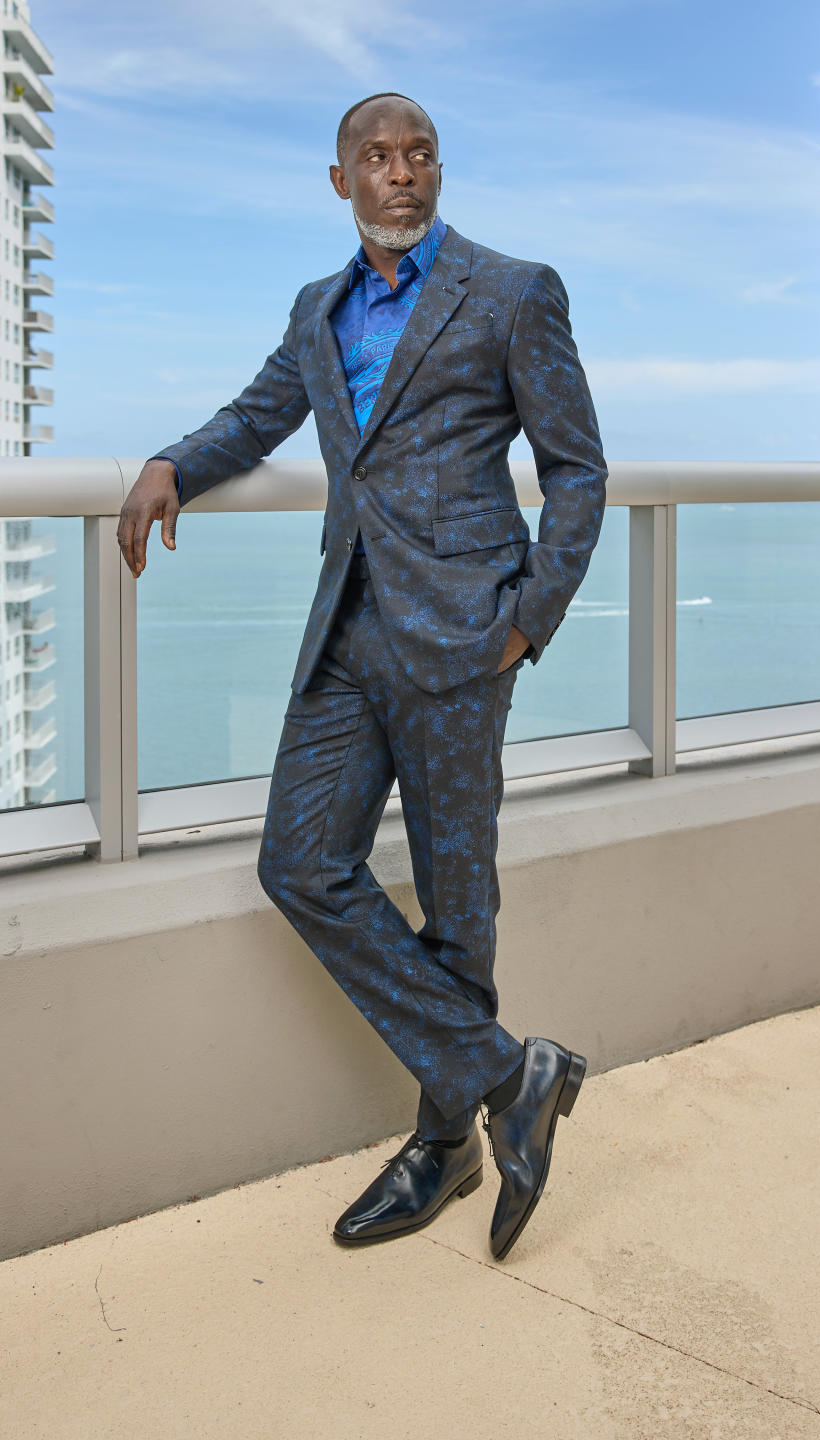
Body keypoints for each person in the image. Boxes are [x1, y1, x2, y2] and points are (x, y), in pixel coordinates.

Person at [116, 92, 607, 1261]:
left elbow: (578, 471)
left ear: (439, 170)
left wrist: (525, 620)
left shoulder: (511, 290)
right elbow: (261, 416)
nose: (403, 174)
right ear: (341, 182)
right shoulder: (316, 308)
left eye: (420, 154)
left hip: (462, 638)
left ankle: (445, 1149)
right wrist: (171, 462)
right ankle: (508, 1073)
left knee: (459, 907)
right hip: (347, 634)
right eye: (378, 160)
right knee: (298, 863)